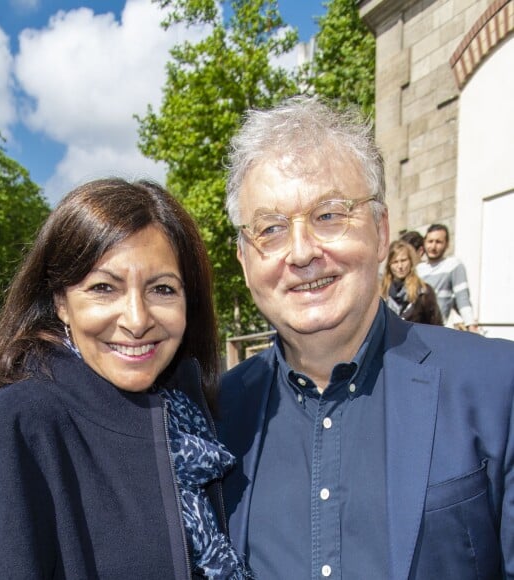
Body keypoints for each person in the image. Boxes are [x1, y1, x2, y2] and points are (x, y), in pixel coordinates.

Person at [218, 95, 514, 579]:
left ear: (381, 231)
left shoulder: (497, 386)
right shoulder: (217, 417)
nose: (301, 252)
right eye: (270, 228)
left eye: (329, 215)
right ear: (245, 260)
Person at [0, 178, 249, 579]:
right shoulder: (24, 423)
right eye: (104, 288)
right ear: (61, 302)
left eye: (162, 289)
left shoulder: (196, 424)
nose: (137, 320)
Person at [416, 223, 479, 332]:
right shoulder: (417, 269)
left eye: (438, 242)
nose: (433, 246)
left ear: (447, 244)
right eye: (430, 241)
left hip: (437, 329)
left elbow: (462, 298)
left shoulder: (453, 265)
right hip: (415, 329)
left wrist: (471, 326)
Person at [380, 240, 443, 325]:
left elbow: (436, 325)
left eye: (403, 260)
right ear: (389, 265)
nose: (400, 266)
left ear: (410, 261)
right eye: (395, 262)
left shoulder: (423, 292)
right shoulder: (381, 293)